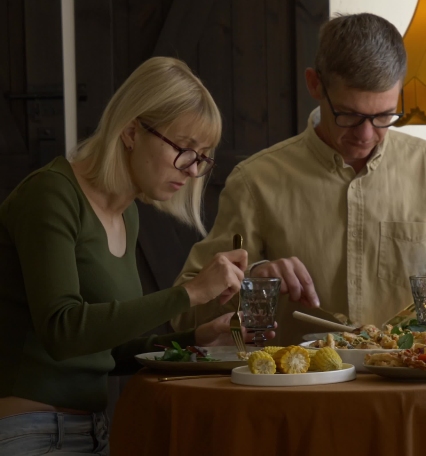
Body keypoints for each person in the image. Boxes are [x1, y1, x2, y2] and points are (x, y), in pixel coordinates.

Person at [171, 13, 426, 344]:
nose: (366, 135)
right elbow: (185, 316)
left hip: (413, 392)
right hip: (301, 396)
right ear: (315, 85)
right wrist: (253, 284)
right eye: (349, 115)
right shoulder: (255, 182)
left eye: (384, 116)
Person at [0, 57, 260, 455]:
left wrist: (196, 340)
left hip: (92, 431)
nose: (193, 171)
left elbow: (106, 350)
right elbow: (62, 331)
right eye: (184, 149)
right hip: (30, 433)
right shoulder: (51, 195)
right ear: (131, 131)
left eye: (202, 157)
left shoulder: (127, 216)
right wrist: (190, 293)